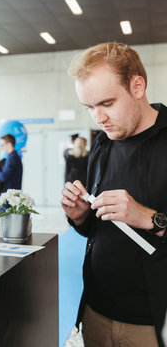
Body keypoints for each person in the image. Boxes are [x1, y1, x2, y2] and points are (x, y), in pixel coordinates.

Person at [61, 42, 167, 347]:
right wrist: (81, 217)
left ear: (137, 86)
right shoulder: (103, 145)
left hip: (152, 323)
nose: (99, 117)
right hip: (95, 311)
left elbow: (146, 220)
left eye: (106, 103)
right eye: (89, 107)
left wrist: (148, 217)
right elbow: (99, 228)